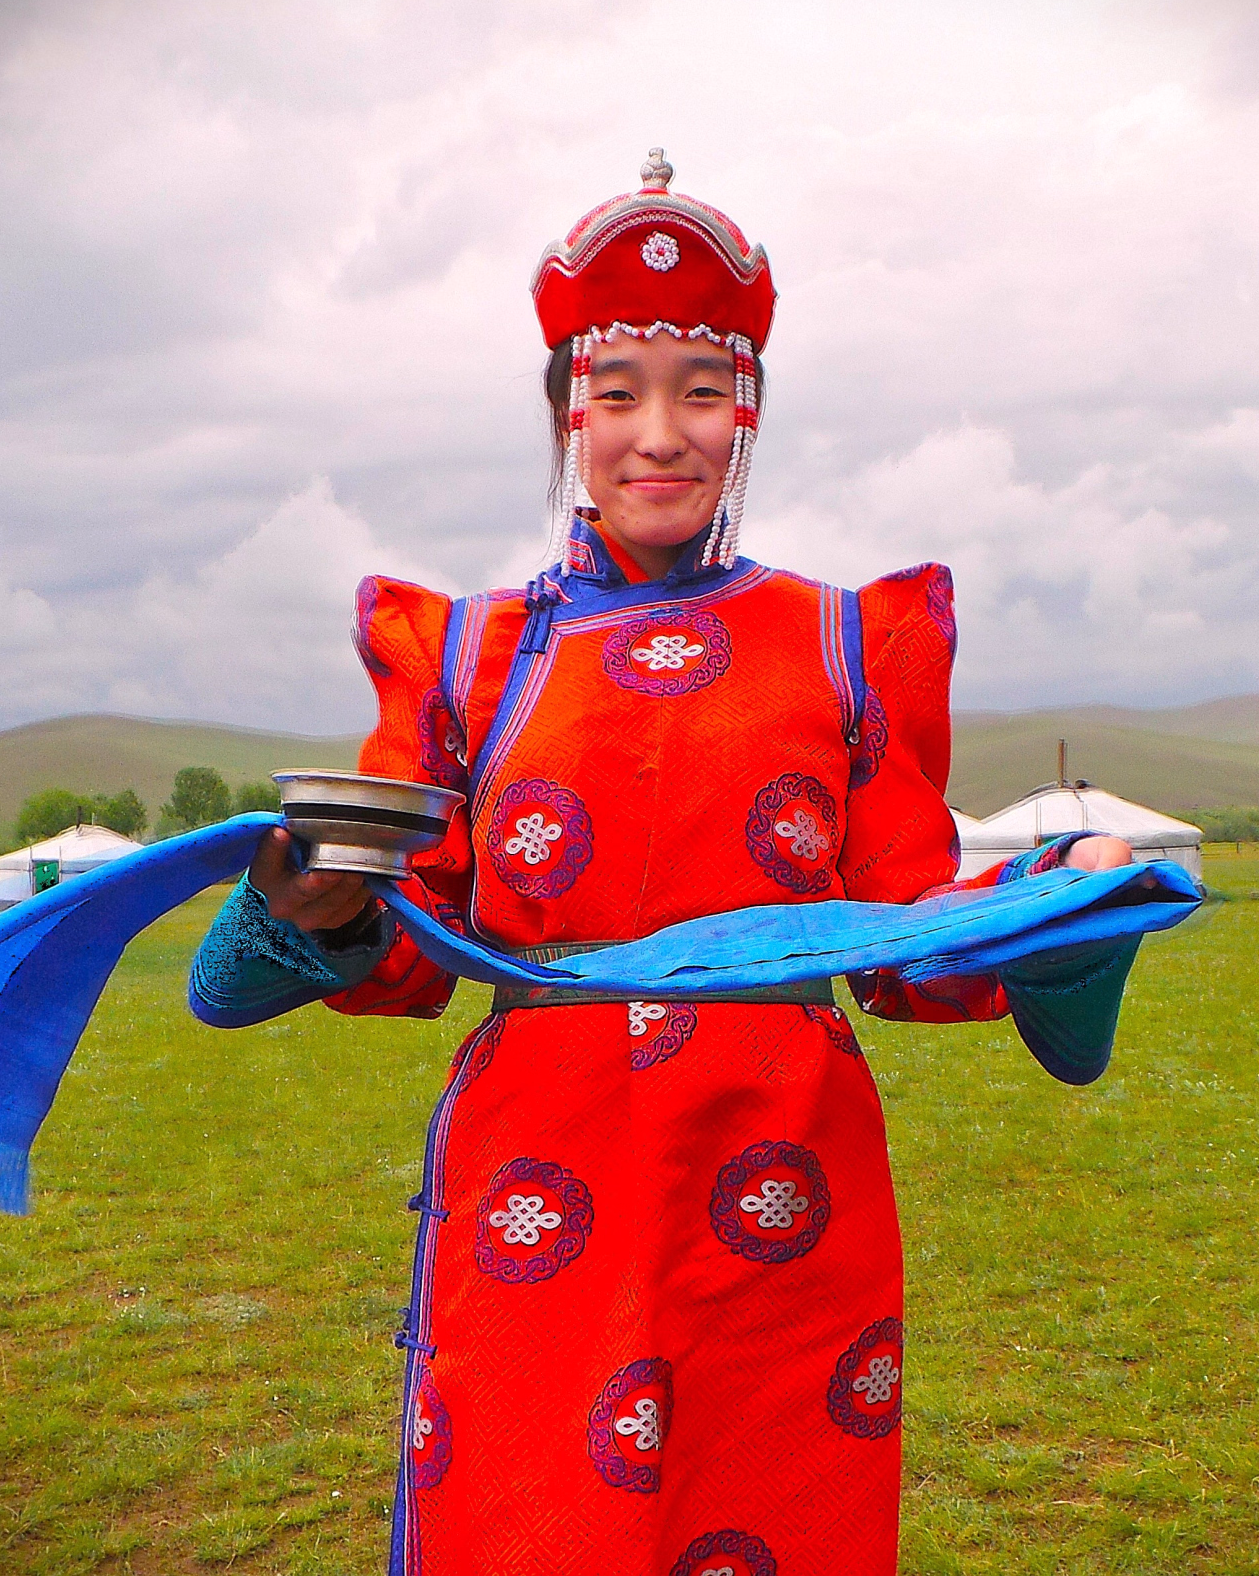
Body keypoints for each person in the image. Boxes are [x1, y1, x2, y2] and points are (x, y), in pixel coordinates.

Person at [190, 149, 1138, 1576]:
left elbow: (916, 942)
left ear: (748, 413)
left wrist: (1069, 909)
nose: (660, 433)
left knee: (765, 1513)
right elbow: (388, 949)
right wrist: (300, 905)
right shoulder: (469, 653)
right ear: (568, 417)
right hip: (540, 1171)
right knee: (530, 1525)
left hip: (777, 1178)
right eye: (615, 390)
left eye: (702, 389)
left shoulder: (844, 645)